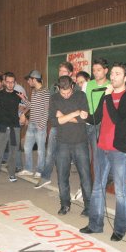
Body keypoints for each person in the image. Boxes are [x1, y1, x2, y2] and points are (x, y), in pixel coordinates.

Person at [80, 62, 126, 241]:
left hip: (118, 149)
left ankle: (120, 228)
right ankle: (95, 224)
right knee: (98, 186)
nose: (113, 77)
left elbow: (118, 119)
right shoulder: (107, 96)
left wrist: (109, 97)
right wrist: (84, 116)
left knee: (120, 190)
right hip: (101, 146)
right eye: (112, 73)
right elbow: (97, 117)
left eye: (117, 74)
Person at [49, 75, 92, 216]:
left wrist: (63, 116)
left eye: (68, 93)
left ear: (72, 87)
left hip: (80, 141)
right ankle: (65, 204)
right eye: (63, 93)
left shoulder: (80, 95)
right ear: (58, 89)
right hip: (62, 142)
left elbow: (83, 120)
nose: (66, 96)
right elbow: (54, 122)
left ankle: (89, 206)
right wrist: (75, 113)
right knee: (62, 176)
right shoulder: (54, 98)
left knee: (85, 176)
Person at [35, 61, 78, 189]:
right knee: (50, 152)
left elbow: (77, 107)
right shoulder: (56, 87)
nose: (61, 74)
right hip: (57, 125)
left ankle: (83, 181)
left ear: (70, 74)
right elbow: (53, 106)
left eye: (64, 72)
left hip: (72, 125)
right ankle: (45, 177)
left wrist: (64, 114)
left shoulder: (76, 88)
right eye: (60, 72)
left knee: (77, 153)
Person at [0, 72, 22, 185]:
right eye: (8, 82)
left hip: (14, 127)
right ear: (4, 82)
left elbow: (26, 105)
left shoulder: (18, 94)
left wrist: (22, 114)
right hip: (2, 127)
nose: (10, 84)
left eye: (12, 82)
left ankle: (11, 173)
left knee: (13, 152)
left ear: (15, 83)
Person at [18, 70, 51, 177]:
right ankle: (28, 169)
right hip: (31, 124)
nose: (28, 82)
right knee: (27, 147)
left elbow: (47, 109)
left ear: (34, 79)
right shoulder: (34, 91)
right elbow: (32, 106)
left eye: (29, 80)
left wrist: (41, 124)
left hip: (40, 125)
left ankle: (40, 170)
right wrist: (24, 99)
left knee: (41, 150)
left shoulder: (45, 91)